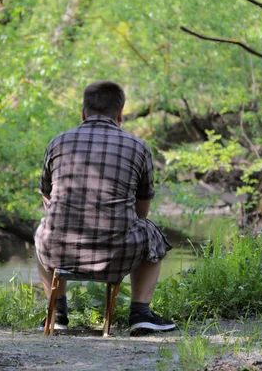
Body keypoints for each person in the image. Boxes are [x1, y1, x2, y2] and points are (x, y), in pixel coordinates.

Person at [34, 80, 176, 335]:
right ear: (120, 115)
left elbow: (47, 198)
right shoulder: (139, 147)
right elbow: (141, 212)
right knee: (150, 231)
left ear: (83, 113)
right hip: (116, 254)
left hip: (60, 251)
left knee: (45, 228)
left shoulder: (58, 143)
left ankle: (57, 312)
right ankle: (140, 313)